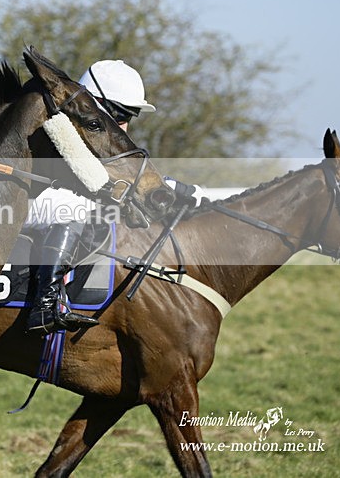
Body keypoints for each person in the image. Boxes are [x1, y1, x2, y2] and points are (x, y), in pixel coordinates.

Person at [25, 59, 206, 335]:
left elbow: (125, 179)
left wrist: (170, 188)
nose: (124, 128)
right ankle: (45, 305)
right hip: (11, 208)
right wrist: (169, 187)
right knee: (75, 206)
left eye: (129, 118)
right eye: (120, 116)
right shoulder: (66, 126)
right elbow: (103, 181)